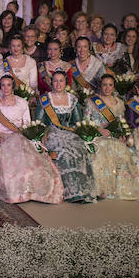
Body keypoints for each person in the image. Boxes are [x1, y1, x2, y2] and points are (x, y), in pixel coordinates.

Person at [0, 75, 63, 204]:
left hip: (20, 136)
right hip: (3, 137)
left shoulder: (22, 102)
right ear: (0, 87)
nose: (6, 88)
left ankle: (32, 191)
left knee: (30, 159)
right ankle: (16, 192)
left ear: (13, 87)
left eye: (8, 85)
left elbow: (27, 124)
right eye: (3, 85)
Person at [84, 74, 139, 200]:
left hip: (115, 137)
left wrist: (123, 134)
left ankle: (125, 187)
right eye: (104, 85)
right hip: (98, 136)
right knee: (105, 149)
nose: (107, 88)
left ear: (114, 87)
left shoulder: (120, 103)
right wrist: (99, 130)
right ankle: (105, 188)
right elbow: (86, 122)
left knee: (129, 153)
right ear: (100, 86)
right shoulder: (91, 102)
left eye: (110, 85)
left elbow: (122, 123)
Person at [36, 71, 97, 203]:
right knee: (64, 150)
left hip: (70, 133)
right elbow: (38, 122)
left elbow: (78, 122)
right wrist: (42, 133)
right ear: (51, 83)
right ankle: (71, 191)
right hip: (52, 133)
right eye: (55, 81)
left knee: (79, 148)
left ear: (66, 83)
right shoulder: (45, 99)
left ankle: (82, 189)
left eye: (61, 81)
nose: (58, 84)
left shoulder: (73, 99)